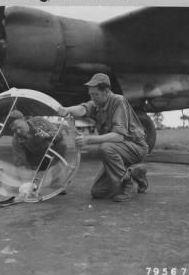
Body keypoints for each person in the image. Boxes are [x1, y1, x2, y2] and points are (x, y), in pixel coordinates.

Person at [58, 73, 149, 202]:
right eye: (91, 95)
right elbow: (83, 109)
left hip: (135, 147)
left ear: (106, 91)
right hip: (118, 150)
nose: (92, 98)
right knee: (98, 192)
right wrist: (66, 109)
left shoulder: (118, 101)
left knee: (105, 148)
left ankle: (127, 184)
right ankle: (136, 172)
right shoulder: (98, 103)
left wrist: (88, 139)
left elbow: (118, 136)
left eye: (95, 95)